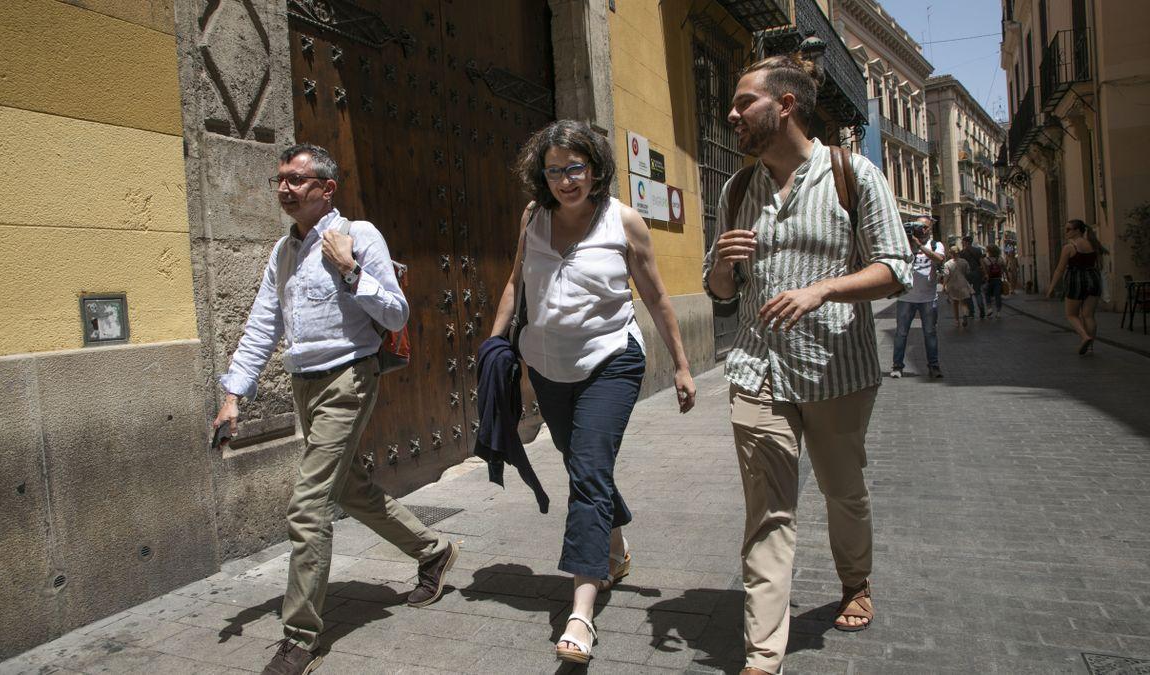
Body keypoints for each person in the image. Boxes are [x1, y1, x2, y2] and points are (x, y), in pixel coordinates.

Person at [702, 53, 912, 675]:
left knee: (844, 490)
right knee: (767, 511)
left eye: (745, 103)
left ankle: (855, 581)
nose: (732, 114)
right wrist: (719, 266)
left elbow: (896, 267)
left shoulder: (854, 174)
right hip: (755, 370)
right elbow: (720, 294)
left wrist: (823, 289)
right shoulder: (736, 188)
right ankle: (764, 654)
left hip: (836, 370)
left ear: (785, 106)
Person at [214, 144, 458, 675]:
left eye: (297, 180)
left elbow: (395, 313)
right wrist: (235, 394)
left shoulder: (359, 236)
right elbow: (262, 326)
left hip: (349, 377)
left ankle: (300, 636)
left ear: (327, 189)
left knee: (308, 504)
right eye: (280, 179)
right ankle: (432, 550)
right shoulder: (281, 254)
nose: (285, 188)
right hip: (305, 384)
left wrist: (350, 269)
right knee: (345, 486)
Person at [489, 119, 697, 665]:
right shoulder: (533, 219)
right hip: (548, 366)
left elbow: (655, 295)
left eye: (574, 167)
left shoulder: (622, 221)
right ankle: (614, 540)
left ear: (595, 167)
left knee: (585, 472)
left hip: (611, 361)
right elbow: (515, 282)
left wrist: (681, 365)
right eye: (554, 170)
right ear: (541, 174)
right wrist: (494, 345)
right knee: (587, 466)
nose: (565, 180)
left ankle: (580, 612)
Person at [891, 216, 945, 379]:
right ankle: (897, 366)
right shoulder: (905, 244)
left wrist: (920, 246)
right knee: (901, 333)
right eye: (918, 227)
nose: (921, 230)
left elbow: (940, 259)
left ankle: (934, 367)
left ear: (930, 229)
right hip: (906, 298)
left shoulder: (936, 245)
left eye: (924, 227)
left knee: (930, 333)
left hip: (928, 298)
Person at [1046, 218, 1106, 354]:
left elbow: (1059, 269)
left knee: (1071, 315)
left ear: (1077, 231)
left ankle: (1085, 337)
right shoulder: (1093, 244)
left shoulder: (1069, 247)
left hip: (1076, 280)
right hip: (1093, 279)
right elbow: (1099, 264)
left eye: (1068, 229)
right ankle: (1090, 347)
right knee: (1089, 315)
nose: (1065, 232)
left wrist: (1051, 287)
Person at [942, 246, 974, 328]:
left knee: (955, 303)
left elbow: (946, 275)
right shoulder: (964, 262)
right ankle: (965, 315)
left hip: (952, 284)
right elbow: (968, 272)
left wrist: (944, 285)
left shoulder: (947, 264)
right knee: (963, 302)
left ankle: (956, 321)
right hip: (963, 283)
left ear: (950, 253)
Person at [959, 234, 988, 319]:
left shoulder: (962, 253)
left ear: (966, 242)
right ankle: (981, 309)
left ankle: (971, 312)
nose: (962, 243)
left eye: (963, 242)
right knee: (978, 292)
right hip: (976, 273)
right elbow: (981, 263)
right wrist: (985, 273)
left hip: (967, 274)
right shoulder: (978, 250)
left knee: (968, 294)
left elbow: (961, 265)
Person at [983, 244, 1006, 315]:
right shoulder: (1000, 259)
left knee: (987, 294)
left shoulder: (986, 259)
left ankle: (989, 308)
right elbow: (1004, 268)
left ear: (989, 251)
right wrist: (1006, 276)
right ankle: (998, 312)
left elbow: (985, 270)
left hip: (989, 279)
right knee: (997, 295)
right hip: (998, 279)